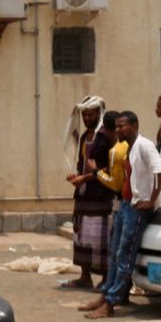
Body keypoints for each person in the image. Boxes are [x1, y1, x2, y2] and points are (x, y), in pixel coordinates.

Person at [82, 111, 161, 319]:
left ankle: (111, 303)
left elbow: (160, 170)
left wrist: (151, 200)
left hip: (137, 208)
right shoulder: (129, 147)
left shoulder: (144, 145)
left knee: (124, 255)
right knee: (115, 252)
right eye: (117, 126)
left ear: (134, 126)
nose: (118, 130)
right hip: (125, 205)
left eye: (123, 126)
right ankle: (106, 296)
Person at [62, 97, 114, 291]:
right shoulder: (85, 137)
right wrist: (77, 176)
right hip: (84, 195)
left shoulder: (106, 137)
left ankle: (105, 278)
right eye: (84, 114)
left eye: (90, 114)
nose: (86, 118)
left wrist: (85, 178)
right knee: (81, 236)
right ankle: (85, 277)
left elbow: (109, 168)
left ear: (99, 113)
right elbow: (83, 163)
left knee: (101, 239)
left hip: (102, 194)